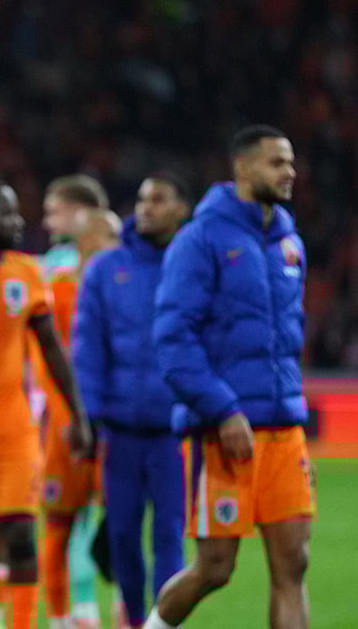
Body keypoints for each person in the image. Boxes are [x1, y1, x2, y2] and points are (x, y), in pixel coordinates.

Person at [147, 126, 313, 629]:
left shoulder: (289, 242)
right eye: (276, 163)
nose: (290, 173)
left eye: (290, 162)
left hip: (283, 428)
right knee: (216, 568)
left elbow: (288, 336)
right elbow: (173, 339)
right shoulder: (200, 240)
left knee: (293, 565)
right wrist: (223, 408)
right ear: (243, 169)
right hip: (224, 431)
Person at [0, 177, 92, 629]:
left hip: (13, 432)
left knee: (22, 536)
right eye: (6, 213)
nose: (18, 221)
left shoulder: (26, 272)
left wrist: (78, 413)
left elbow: (51, 348)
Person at [72, 174, 191, 629]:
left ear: (182, 208)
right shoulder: (106, 269)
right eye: (142, 198)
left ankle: (163, 623)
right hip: (119, 429)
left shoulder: (191, 266)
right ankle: (137, 618)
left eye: (159, 199)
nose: (147, 207)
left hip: (172, 429)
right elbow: (88, 347)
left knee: (168, 536)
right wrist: (89, 415)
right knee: (121, 535)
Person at [33, 175, 110, 629]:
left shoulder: (113, 270)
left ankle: (99, 611)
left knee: (102, 521)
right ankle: (73, 615)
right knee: (62, 522)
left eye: (54, 209)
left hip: (109, 415)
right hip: (64, 413)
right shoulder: (55, 272)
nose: (46, 219)